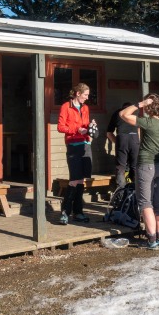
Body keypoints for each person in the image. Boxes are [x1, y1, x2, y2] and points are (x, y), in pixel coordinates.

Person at [120, 94, 159, 250]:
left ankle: (151, 241)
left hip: (146, 165)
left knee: (146, 203)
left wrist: (140, 103)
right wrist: (158, 139)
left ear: (149, 107)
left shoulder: (147, 122)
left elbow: (123, 114)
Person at [56, 83, 93, 225]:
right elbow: (61, 127)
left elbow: (86, 125)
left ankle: (78, 212)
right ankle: (65, 212)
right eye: (85, 95)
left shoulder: (85, 108)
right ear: (78, 93)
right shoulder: (66, 106)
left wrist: (90, 127)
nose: (87, 98)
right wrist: (77, 129)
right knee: (74, 179)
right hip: (73, 145)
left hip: (85, 144)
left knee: (81, 180)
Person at [107, 102, 140, 188]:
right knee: (135, 166)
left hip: (122, 139)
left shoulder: (117, 113)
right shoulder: (135, 113)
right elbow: (139, 130)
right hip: (135, 138)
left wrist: (117, 142)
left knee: (120, 167)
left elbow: (109, 133)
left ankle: (121, 193)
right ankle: (136, 191)